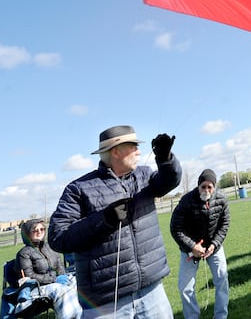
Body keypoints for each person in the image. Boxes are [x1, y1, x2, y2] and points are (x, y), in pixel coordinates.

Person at [48, 125, 182, 318]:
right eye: (133, 145)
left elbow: (169, 181)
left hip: (152, 293)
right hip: (105, 304)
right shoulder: (78, 189)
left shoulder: (143, 175)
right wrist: (105, 219)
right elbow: (57, 237)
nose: (139, 151)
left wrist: (165, 158)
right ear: (116, 151)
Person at [170, 169, 230, 319]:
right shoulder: (186, 201)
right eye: (203, 186)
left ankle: (221, 316)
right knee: (185, 287)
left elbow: (224, 224)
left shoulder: (222, 199)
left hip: (213, 248)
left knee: (222, 280)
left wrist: (214, 245)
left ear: (214, 187)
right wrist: (192, 246)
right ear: (198, 186)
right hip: (190, 249)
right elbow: (175, 228)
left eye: (210, 187)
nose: (206, 190)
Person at [15, 218, 82, 318]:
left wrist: (62, 275)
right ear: (28, 234)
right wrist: (54, 279)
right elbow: (30, 276)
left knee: (78, 283)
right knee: (62, 290)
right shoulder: (23, 253)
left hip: (56, 282)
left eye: (42, 229)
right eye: (35, 230)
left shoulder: (49, 247)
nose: (39, 232)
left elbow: (59, 265)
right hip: (38, 286)